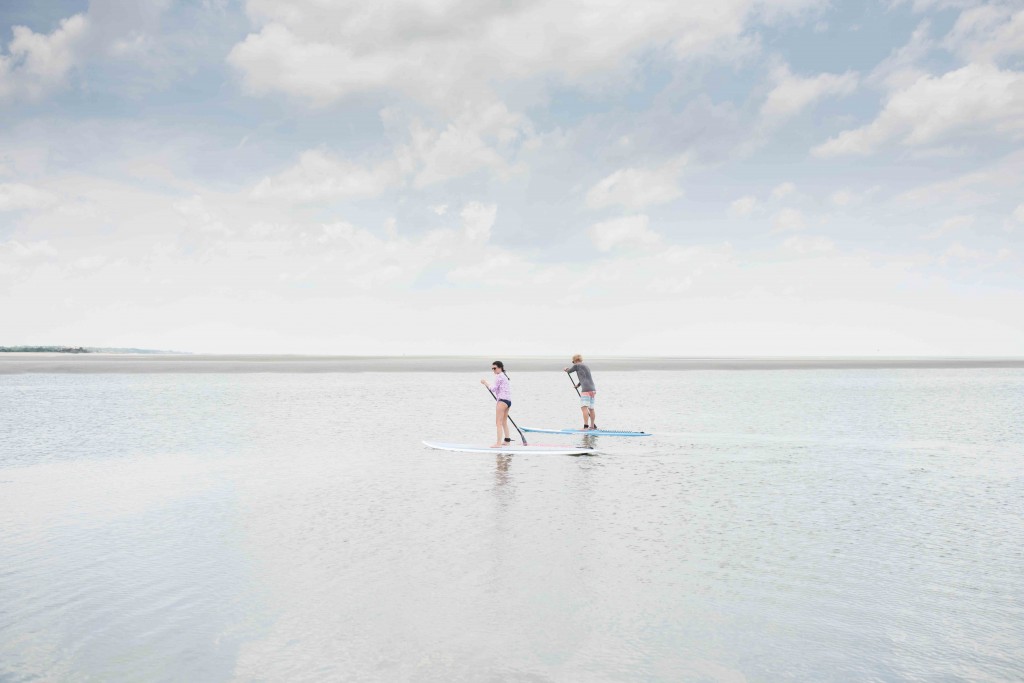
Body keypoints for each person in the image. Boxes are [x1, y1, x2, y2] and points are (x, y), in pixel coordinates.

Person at [481, 360, 512, 447]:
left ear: (500, 368)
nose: (493, 370)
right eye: (492, 369)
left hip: (502, 401)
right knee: (504, 422)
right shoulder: (505, 376)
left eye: (494, 368)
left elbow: (493, 389)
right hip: (508, 401)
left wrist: (485, 383)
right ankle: (507, 441)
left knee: (498, 423)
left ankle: (498, 444)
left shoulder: (499, 376)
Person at [564, 354, 597, 430]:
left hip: (586, 390)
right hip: (592, 389)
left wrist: (566, 369)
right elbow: (585, 378)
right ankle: (592, 426)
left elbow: (569, 371)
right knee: (591, 408)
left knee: (584, 408)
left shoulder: (577, 365)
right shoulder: (586, 366)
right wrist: (578, 385)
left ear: (575, 360)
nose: (573, 363)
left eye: (573, 362)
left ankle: (585, 427)